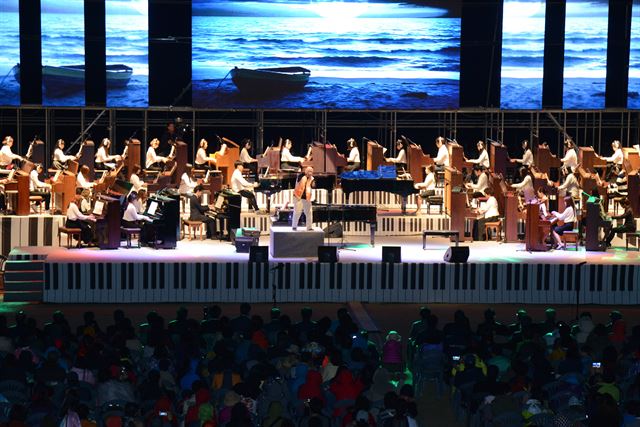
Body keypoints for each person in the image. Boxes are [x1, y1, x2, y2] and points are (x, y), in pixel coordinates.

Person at [292, 166, 314, 231]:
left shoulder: (312, 178)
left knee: (309, 212)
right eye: (309, 171)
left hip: (306, 197)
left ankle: (309, 227)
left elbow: (312, 186)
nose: (310, 173)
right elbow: (300, 177)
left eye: (311, 172)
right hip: (298, 197)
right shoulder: (301, 176)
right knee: (297, 212)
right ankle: (294, 226)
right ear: (306, 171)